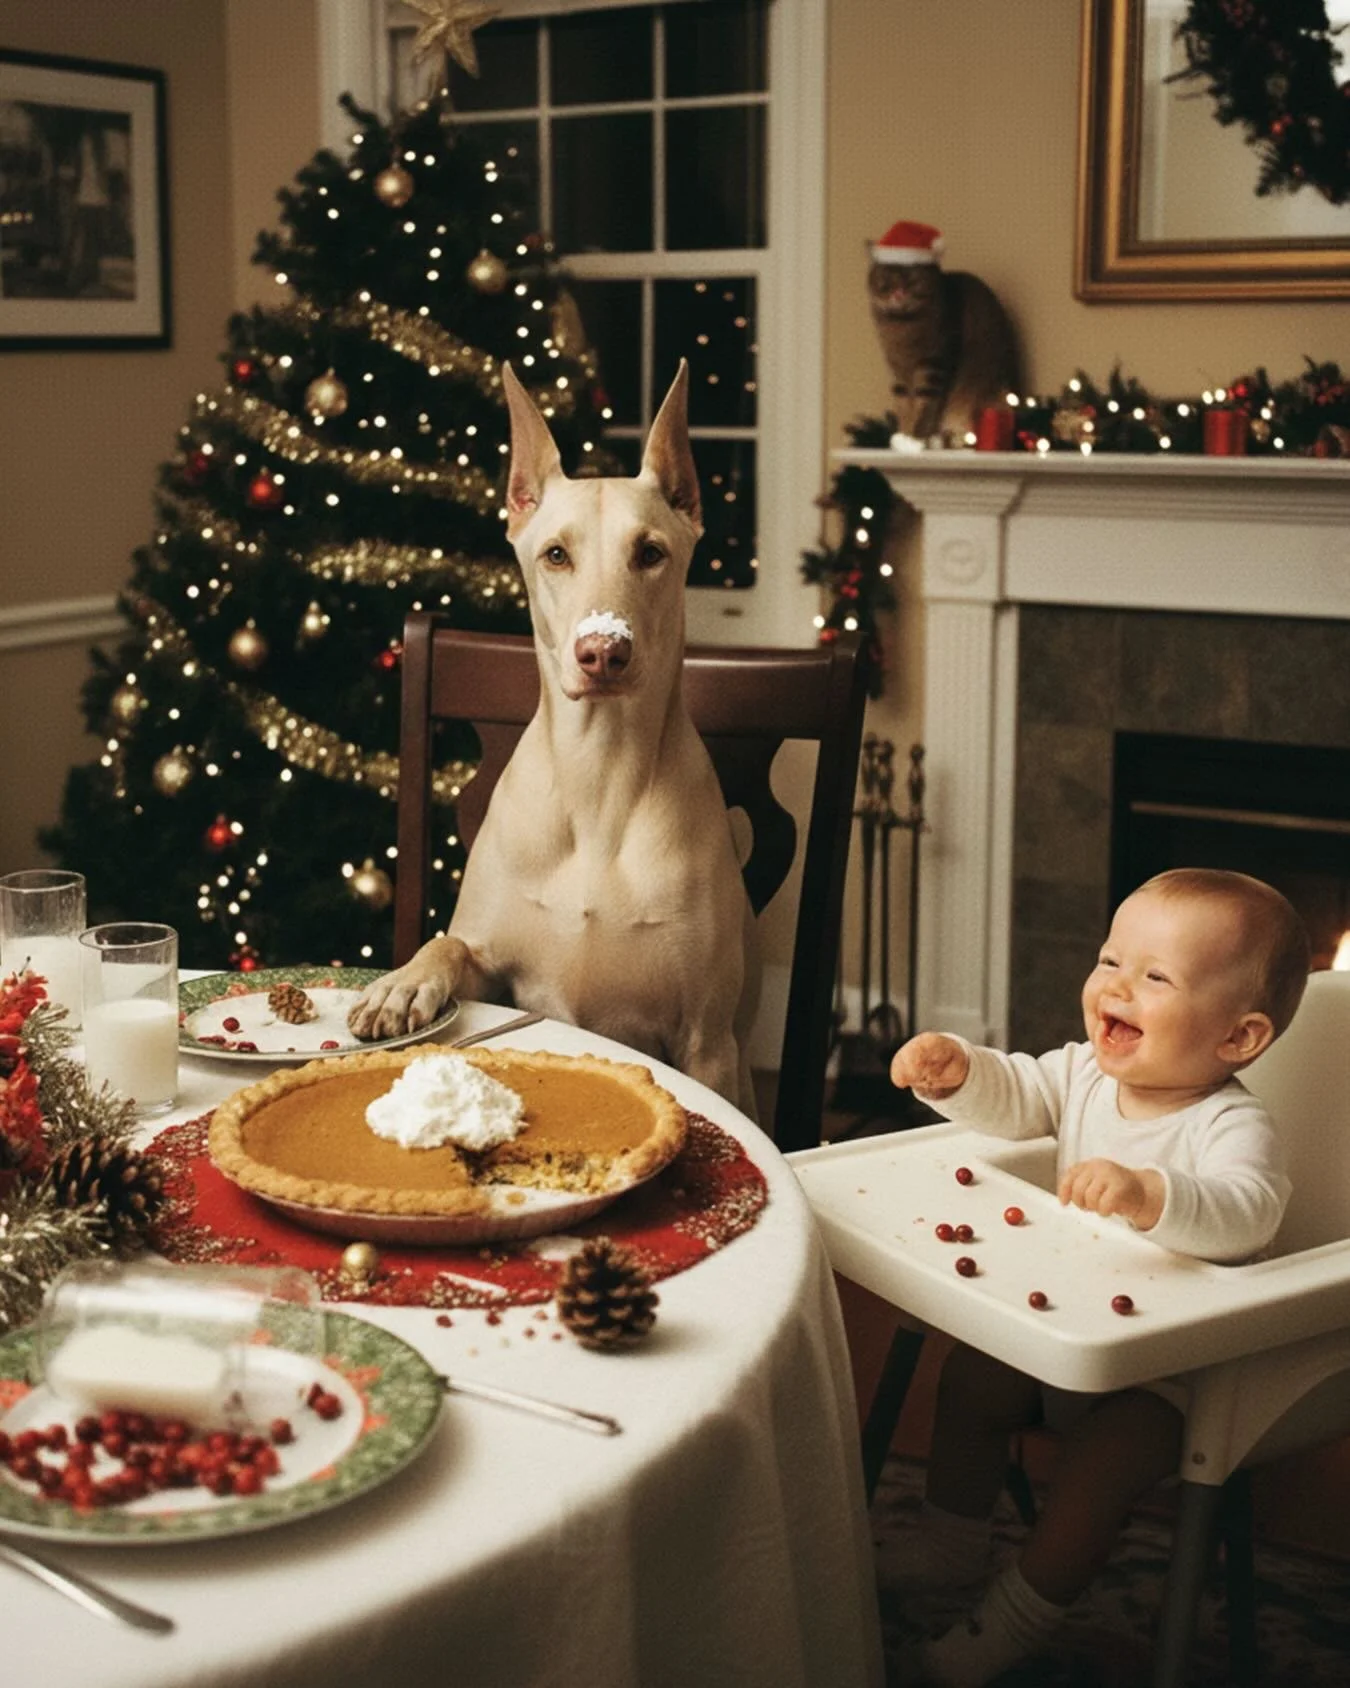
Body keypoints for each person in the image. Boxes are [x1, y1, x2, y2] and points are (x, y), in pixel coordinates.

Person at [884, 867, 1311, 1687]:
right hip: (1062, 1329)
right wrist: (962, 1073)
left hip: (1168, 1377)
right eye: (1111, 960)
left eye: (1156, 978)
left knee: (1096, 1477)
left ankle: (1008, 1622)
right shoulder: (1084, 1074)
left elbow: (1250, 1210)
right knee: (970, 1381)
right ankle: (949, 1545)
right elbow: (1018, 1092)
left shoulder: (1231, 1123)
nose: (1117, 986)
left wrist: (1155, 1195)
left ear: (1238, 1038)